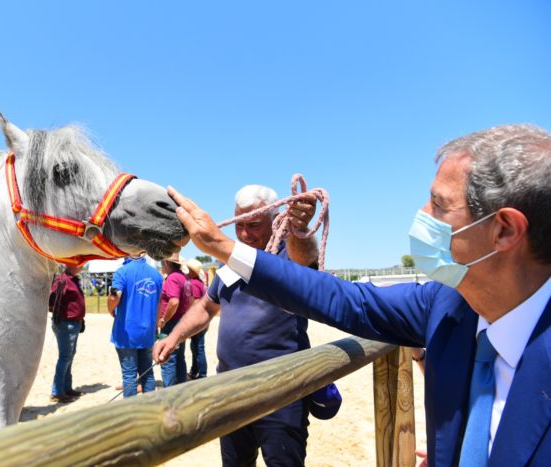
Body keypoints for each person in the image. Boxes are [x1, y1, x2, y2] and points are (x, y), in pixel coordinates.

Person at [163, 124, 551, 466]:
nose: (421, 214)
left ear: (503, 230)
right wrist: (223, 248)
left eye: (439, 204)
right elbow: (344, 300)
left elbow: (305, 269)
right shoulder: (447, 306)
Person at [155, 184, 341, 467]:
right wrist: (174, 337)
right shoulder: (231, 263)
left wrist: (299, 228)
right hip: (231, 391)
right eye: (239, 224)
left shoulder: (288, 255)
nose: (244, 233)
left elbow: (306, 260)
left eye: (253, 224)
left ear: (274, 215)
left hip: (281, 391)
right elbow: (206, 306)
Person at [107, 256, 163, 397]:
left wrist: (110, 309)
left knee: (129, 375)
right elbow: (159, 303)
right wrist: (156, 325)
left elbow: (114, 296)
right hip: (147, 330)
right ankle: (150, 406)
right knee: (148, 373)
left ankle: (131, 411)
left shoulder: (122, 272)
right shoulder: (156, 274)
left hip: (127, 332)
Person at [49, 265, 86, 403]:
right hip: (66, 323)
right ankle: (57, 391)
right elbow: (52, 298)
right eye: (79, 264)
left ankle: (66, 387)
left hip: (74, 323)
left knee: (69, 356)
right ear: (69, 264)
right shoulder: (62, 280)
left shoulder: (72, 279)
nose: (81, 266)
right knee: (65, 357)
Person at [158, 253, 193, 387]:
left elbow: (173, 302)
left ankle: (169, 390)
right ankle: (181, 387)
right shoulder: (185, 278)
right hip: (181, 320)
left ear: (167, 263)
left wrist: (164, 319)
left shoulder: (172, 278)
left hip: (171, 322)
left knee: (168, 357)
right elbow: (191, 301)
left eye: (162, 263)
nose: (162, 266)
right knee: (180, 357)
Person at [185, 258, 208, 380]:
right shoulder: (200, 283)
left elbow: (196, 303)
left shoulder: (193, 284)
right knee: (196, 346)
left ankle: (202, 374)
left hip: (197, 319)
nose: (187, 272)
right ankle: (195, 371)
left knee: (198, 347)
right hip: (204, 319)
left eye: (189, 270)